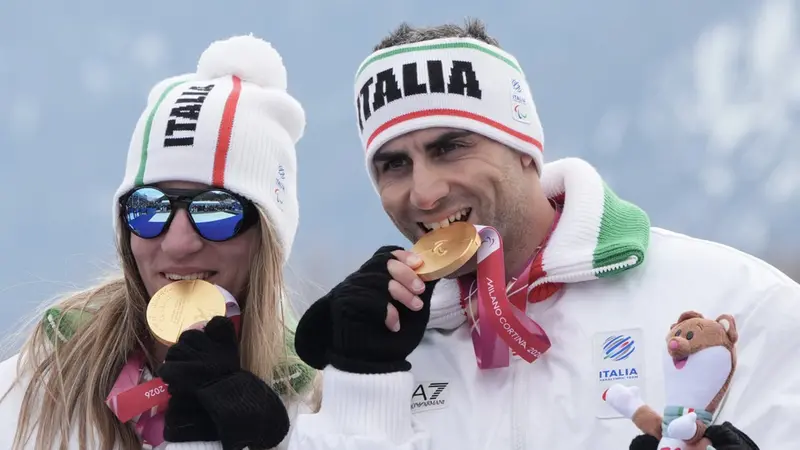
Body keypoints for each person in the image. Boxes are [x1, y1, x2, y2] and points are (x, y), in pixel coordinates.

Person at [289, 19, 800, 449]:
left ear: (524, 149)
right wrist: (361, 381)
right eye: (393, 165)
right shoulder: (384, 348)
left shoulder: (739, 299)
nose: (424, 192)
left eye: (450, 148)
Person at [0, 34, 316, 450]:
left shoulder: (314, 407)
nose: (179, 244)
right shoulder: (43, 385)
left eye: (215, 210)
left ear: (268, 236)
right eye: (149, 208)